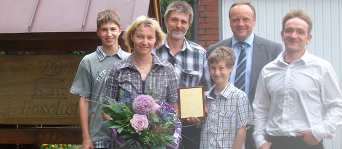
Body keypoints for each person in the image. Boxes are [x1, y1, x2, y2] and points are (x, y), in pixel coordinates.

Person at [253, 8, 342, 149]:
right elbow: (260, 108)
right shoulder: (268, 70)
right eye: (289, 30)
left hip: (308, 143)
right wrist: (260, 141)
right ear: (282, 35)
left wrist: (319, 133)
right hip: (275, 143)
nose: (293, 35)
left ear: (308, 38)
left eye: (300, 32)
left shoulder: (322, 68)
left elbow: (336, 106)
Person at [207, 2, 282, 148]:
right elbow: (209, 85)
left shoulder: (273, 50)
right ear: (230, 22)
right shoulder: (214, 49)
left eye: (246, 19)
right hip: (223, 129)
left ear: (254, 20)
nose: (241, 24)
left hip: (259, 128)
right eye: (235, 19)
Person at [152, 1, 211, 148]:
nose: (179, 25)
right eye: (174, 20)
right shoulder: (151, 51)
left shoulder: (200, 54)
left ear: (188, 25)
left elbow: (208, 90)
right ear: (165, 21)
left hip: (188, 127)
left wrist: (201, 110)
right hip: (155, 125)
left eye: (183, 22)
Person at [69, 9, 130, 149]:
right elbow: (83, 100)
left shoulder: (130, 60)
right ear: (98, 32)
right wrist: (86, 138)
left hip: (127, 134)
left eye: (113, 29)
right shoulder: (88, 61)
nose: (109, 34)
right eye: (104, 30)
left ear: (120, 30)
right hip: (98, 133)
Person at [105, 15, 179, 110]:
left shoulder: (167, 69)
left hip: (158, 125)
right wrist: (124, 124)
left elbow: (175, 106)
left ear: (156, 39)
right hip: (125, 124)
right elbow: (107, 107)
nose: (145, 42)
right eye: (140, 37)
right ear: (132, 36)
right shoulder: (118, 69)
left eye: (150, 38)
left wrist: (162, 124)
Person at [200, 46, 253, 149]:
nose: (217, 73)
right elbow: (200, 126)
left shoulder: (239, 97)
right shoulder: (205, 98)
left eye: (221, 68)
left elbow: (241, 133)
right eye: (213, 68)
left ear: (231, 68)